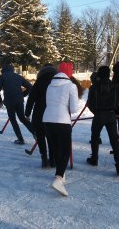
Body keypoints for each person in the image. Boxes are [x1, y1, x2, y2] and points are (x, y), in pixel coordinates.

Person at [43, 62, 80, 196]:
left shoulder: (50, 85)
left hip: (47, 120)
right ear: (69, 73)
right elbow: (74, 109)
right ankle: (58, 178)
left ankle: (61, 174)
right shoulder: (71, 86)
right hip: (62, 121)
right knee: (65, 150)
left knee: (56, 149)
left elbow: (48, 103)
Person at [86, 65, 119, 177]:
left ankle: (94, 158)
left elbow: (89, 103)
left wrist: (95, 112)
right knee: (114, 140)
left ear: (99, 74)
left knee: (95, 137)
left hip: (99, 115)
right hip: (111, 115)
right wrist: (118, 111)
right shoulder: (115, 85)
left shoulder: (94, 87)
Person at [25, 64, 57, 168]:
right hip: (53, 114)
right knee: (52, 138)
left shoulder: (39, 82)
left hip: (39, 114)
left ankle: (44, 158)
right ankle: (53, 160)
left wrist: (27, 113)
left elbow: (31, 99)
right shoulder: (57, 82)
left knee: (41, 137)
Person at [0, 63, 35, 145]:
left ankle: (20, 139)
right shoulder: (18, 76)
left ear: (4, 69)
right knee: (22, 118)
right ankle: (35, 133)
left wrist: (0, 101)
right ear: (12, 69)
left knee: (13, 120)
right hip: (19, 101)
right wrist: (22, 95)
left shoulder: (2, 77)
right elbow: (30, 87)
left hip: (9, 102)